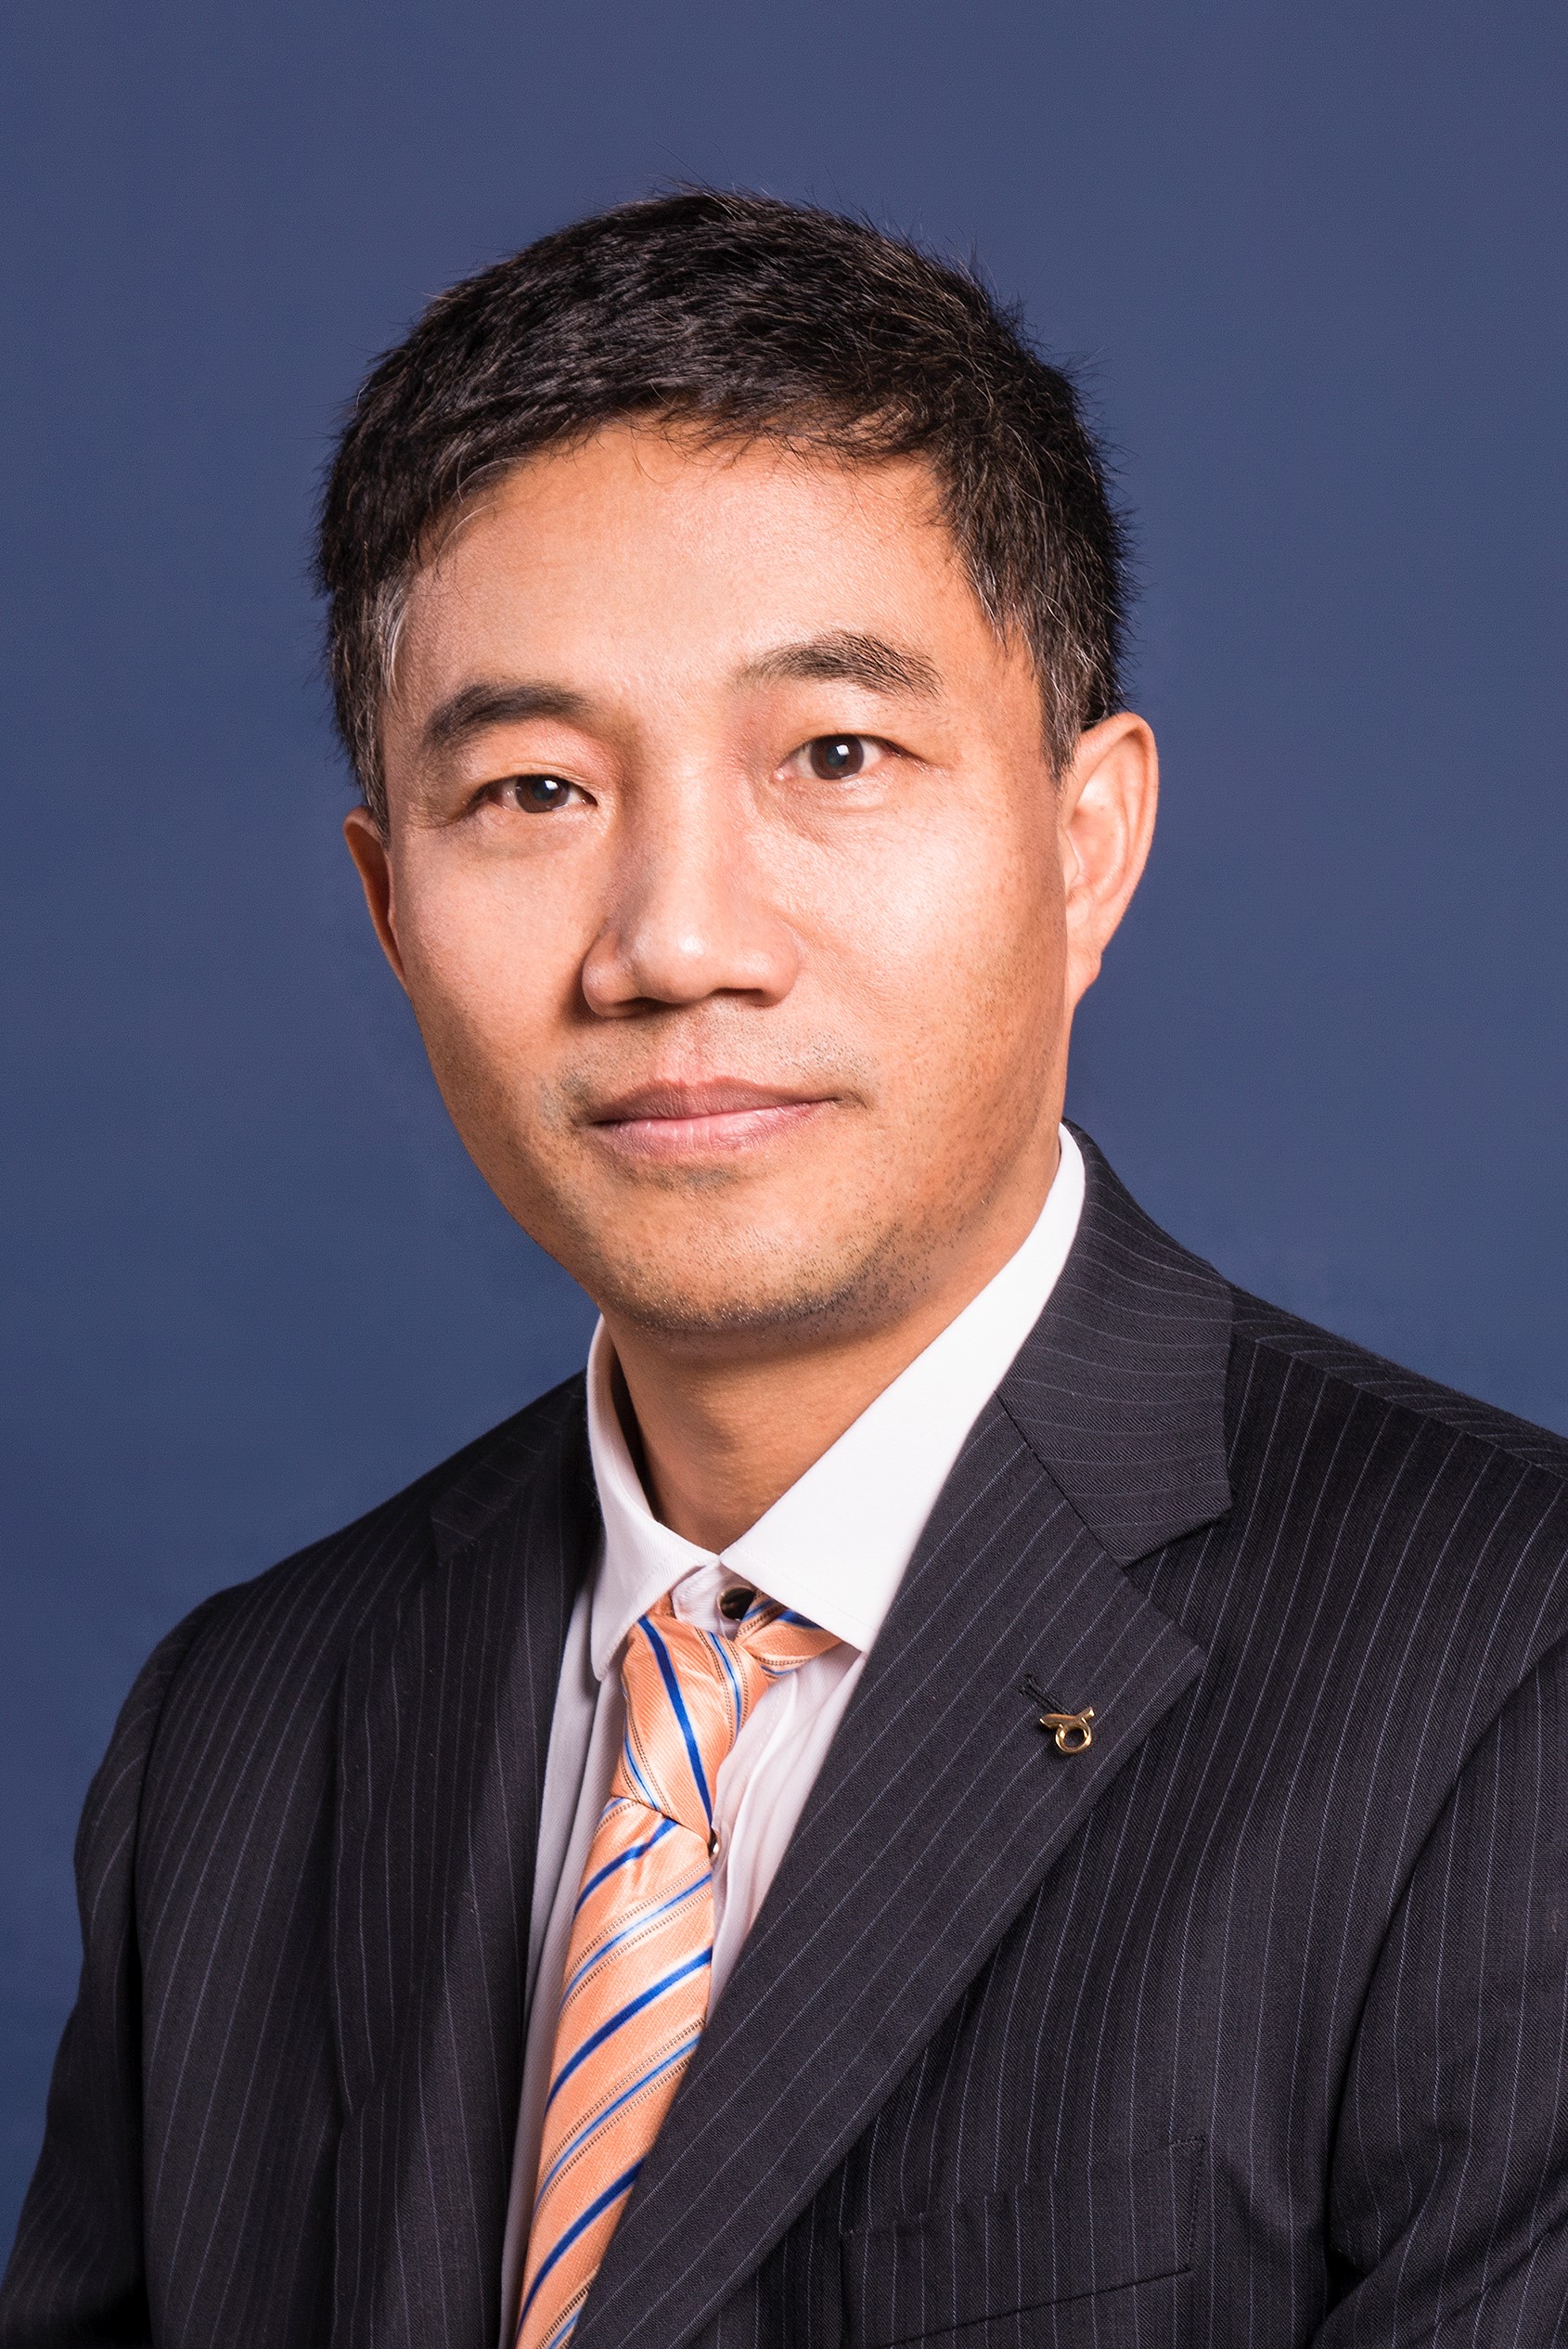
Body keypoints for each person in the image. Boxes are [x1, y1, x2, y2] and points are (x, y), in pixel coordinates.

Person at [4, 188, 1566, 2349]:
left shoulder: (1502, 1672)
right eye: (530, 790)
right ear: (387, 905)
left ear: (1083, 843)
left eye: (833, 755)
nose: (673, 944)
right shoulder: (237, 1736)